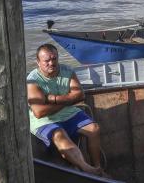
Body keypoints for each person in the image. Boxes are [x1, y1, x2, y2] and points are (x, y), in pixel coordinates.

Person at [27, 44, 104, 176]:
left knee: (94, 129)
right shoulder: (33, 80)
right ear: (38, 62)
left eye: (54, 59)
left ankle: (98, 168)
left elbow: (80, 95)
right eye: (47, 61)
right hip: (44, 121)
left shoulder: (67, 71)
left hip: (69, 113)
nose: (51, 63)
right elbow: (39, 112)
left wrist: (52, 98)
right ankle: (86, 169)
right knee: (59, 133)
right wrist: (68, 100)